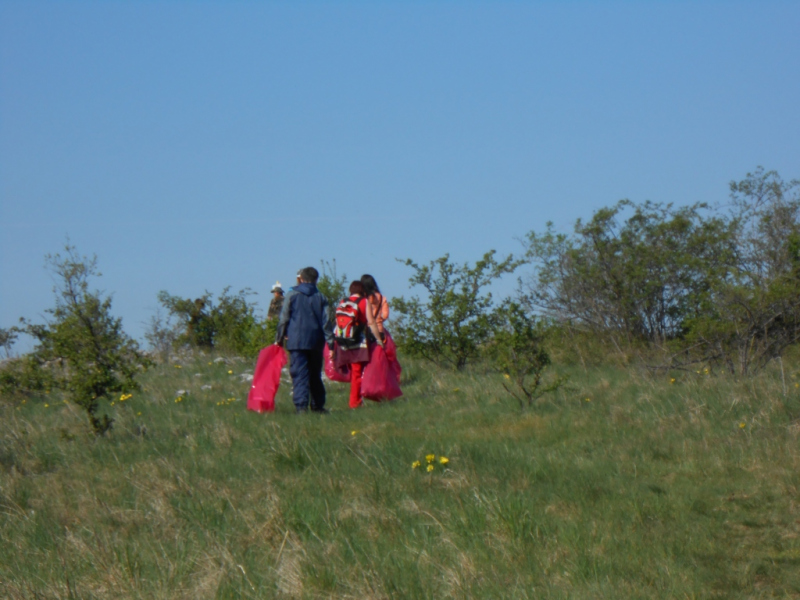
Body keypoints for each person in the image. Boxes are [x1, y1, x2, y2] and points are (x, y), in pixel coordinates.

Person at [275, 267, 334, 413]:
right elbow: (327, 323)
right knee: (315, 374)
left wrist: (279, 338)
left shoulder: (292, 295)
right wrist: (331, 344)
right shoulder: (321, 297)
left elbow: (284, 318)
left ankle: (301, 407)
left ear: (301, 278)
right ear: (316, 279)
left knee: (299, 374)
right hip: (316, 341)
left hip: (296, 340)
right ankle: (318, 406)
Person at [334, 280, 384, 409]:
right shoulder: (364, 302)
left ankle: (355, 400)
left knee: (352, 372)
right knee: (357, 373)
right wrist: (379, 339)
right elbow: (371, 322)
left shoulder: (343, 301)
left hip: (343, 341)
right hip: (357, 342)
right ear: (362, 291)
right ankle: (354, 403)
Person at [360, 274, 390, 340]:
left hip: (365, 330)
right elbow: (385, 315)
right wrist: (379, 320)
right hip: (379, 330)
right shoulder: (382, 298)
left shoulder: (363, 299)